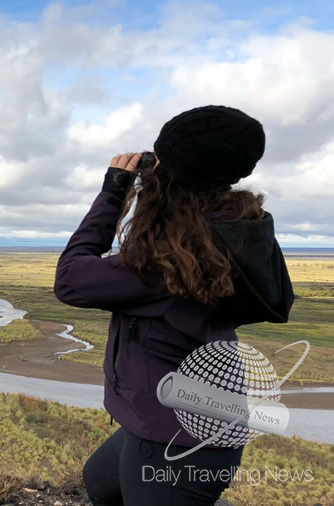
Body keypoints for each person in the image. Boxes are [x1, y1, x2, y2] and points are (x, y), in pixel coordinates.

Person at [53, 105, 294, 505]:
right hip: (180, 418)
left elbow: (71, 279)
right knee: (101, 480)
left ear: (176, 173)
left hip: (178, 441)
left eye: (160, 156)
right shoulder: (235, 230)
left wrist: (114, 192)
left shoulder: (172, 259)